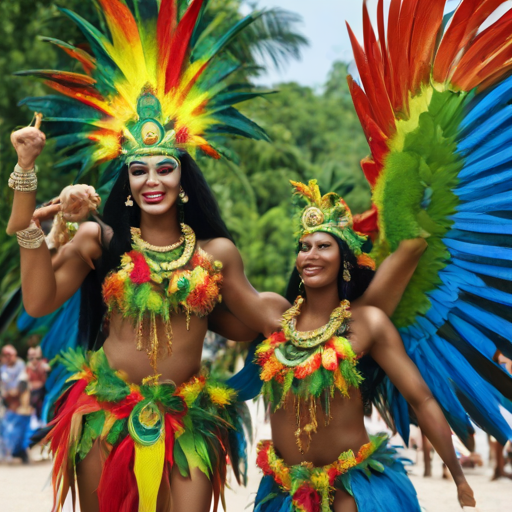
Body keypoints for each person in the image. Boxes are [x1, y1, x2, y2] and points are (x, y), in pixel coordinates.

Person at [7, 1, 288, 511]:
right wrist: (27, 174)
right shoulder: (101, 239)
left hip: (190, 416)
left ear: (183, 180)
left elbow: (263, 318)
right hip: (105, 411)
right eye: (140, 171)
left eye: (164, 168)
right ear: (129, 185)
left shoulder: (216, 252)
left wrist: (341, 297)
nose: (152, 180)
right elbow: (37, 299)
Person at [249, 181, 475, 512]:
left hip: (350, 490)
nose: (310, 255)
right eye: (304, 246)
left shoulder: (367, 322)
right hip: (286, 491)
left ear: (344, 260)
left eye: (323, 246)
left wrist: (459, 477)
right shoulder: (275, 317)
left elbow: (421, 398)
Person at [0, 345, 31, 463]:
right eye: (5, 355)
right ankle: (8, 455)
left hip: (21, 404)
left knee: (21, 431)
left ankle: (22, 453)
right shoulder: (3, 369)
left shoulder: (21, 365)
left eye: (10, 355)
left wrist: (12, 393)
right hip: (8, 405)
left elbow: (20, 388)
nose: (8, 357)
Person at [26, 346, 50, 421]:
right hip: (33, 390)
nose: (33, 358)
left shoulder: (42, 363)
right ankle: (36, 418)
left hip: (42, 389)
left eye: (34, 355)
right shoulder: (28, 367)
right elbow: (27, 379)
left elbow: (47, 368)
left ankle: (39, 418)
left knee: (37, 400)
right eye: (31, 356)